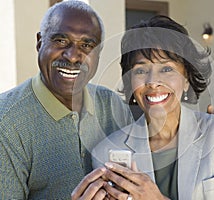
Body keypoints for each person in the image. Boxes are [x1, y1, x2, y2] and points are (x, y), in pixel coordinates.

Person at [72, 16, 214, 200]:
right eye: (140, 71)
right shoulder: (106, 154)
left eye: (166, 69)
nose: (152, 82)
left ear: (186, 79)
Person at [0, 1, 133, 199]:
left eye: (87, 45)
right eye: (61, 41)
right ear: (39, 42)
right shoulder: (7, 121)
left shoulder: (113, 106)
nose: (72, 57)